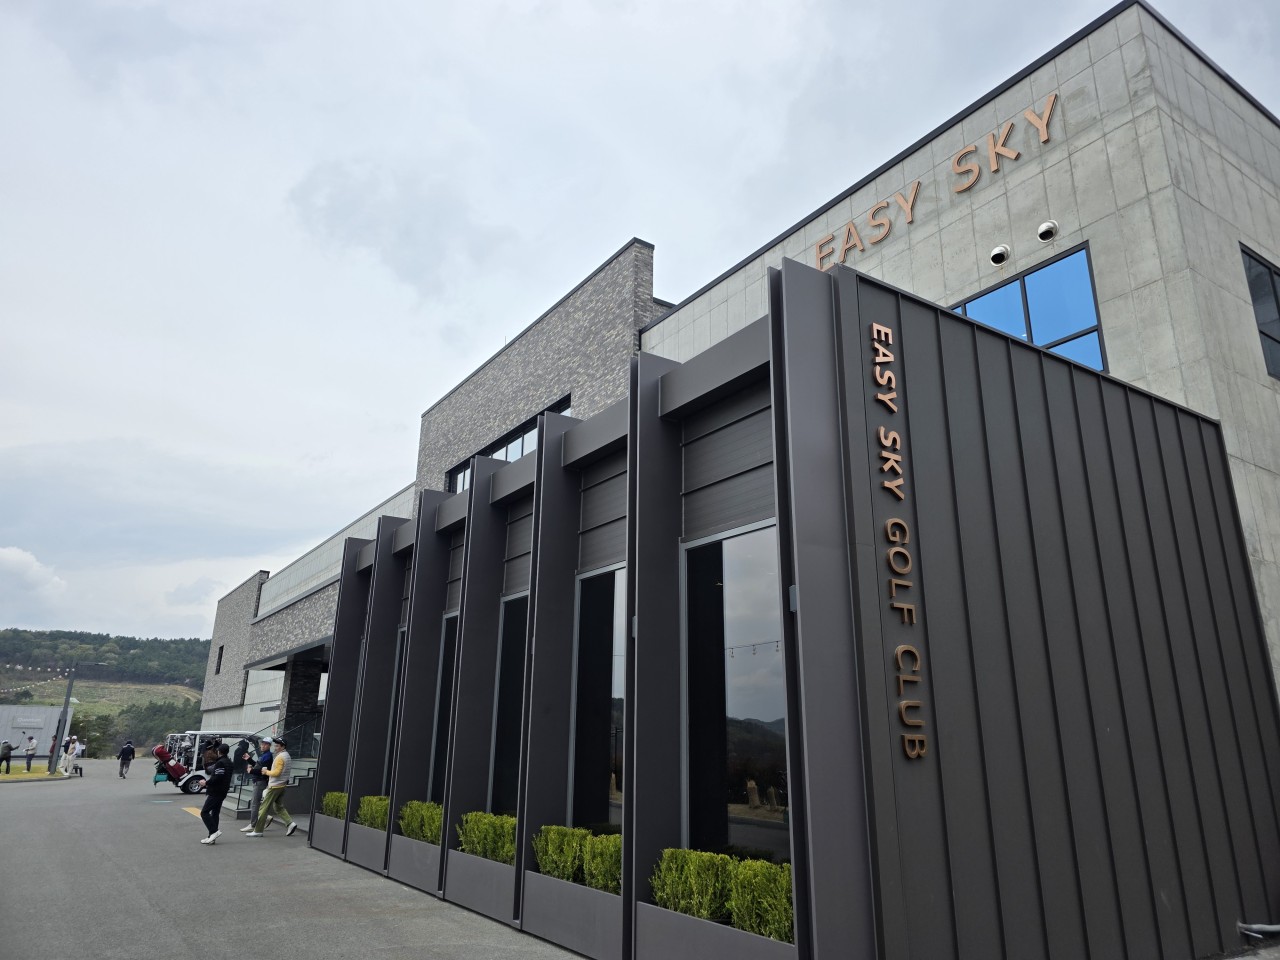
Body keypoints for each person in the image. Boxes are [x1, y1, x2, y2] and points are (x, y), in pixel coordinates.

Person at [244, 736, 297, 838]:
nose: (275, 748)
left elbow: (276, 773)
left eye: (277, 746)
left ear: (283, 747)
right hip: (282, 785)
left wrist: (266, 772)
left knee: (263, 809)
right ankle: (290, 824)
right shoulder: (286, 755)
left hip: (275, 786)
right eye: (275, 745)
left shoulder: (280, 757)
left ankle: (258, 830)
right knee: (278, 807)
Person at [198, 743, 234, 844]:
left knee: (204, 812)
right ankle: (211, 837)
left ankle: (214, 831)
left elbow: (218, 777)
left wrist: (206, 783)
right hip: (223, 791)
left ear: (219, 751)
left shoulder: (220, 763)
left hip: (216, 791)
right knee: (215, 813)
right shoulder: (229, 762)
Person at [239, 737, 275, 833]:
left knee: (255, 803)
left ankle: (253, 824)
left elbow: (262, 771)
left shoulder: (268, 756)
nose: (262, 746)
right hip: (258, 781)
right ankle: (265, 817)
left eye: (265, 744)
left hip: (260, 781)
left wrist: (251, 771)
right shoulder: (264, 755)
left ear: (269, 746)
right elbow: (258, 766)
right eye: (262, 744)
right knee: (256, 802)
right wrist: (249, 759)